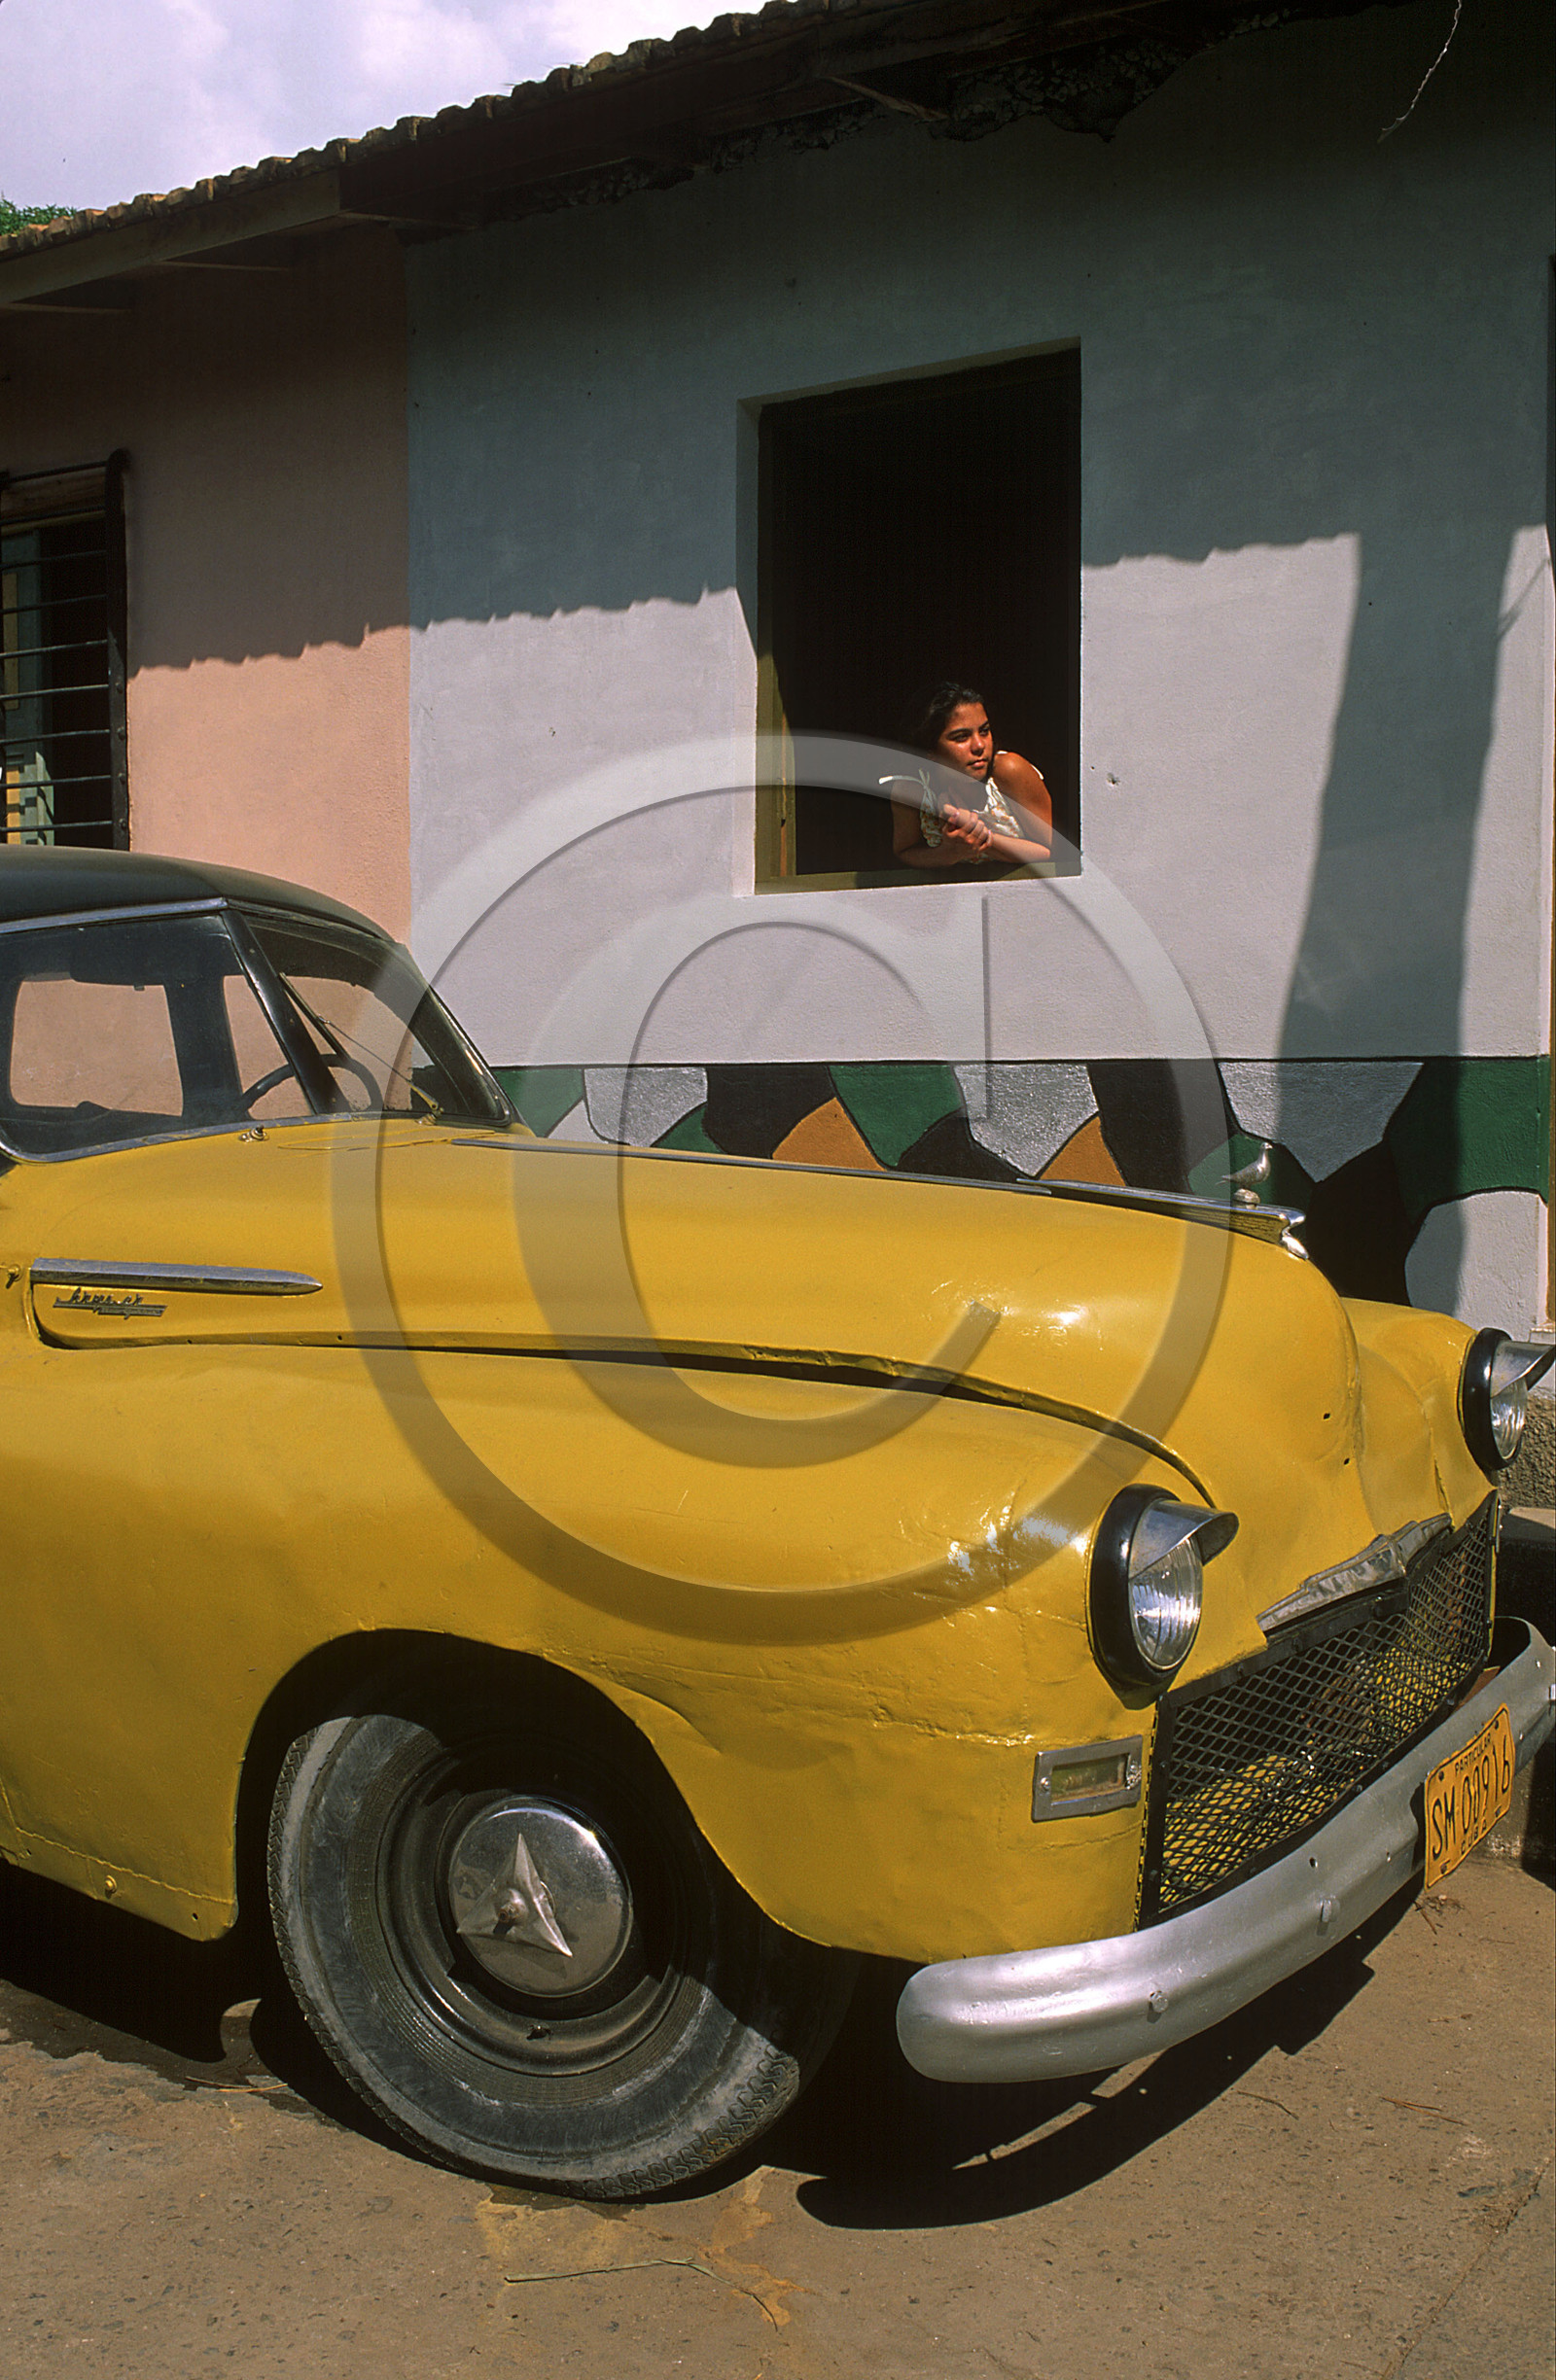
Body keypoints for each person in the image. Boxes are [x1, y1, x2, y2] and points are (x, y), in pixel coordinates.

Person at [887, 682, 1053, 870]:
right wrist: (949, 853)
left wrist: (980, 837)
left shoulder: (1009, 771)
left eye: (984, 731)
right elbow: (905, 851)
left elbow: (1048, 850)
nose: (979, 746)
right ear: (929, 750)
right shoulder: (911, 789)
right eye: (961, 737)